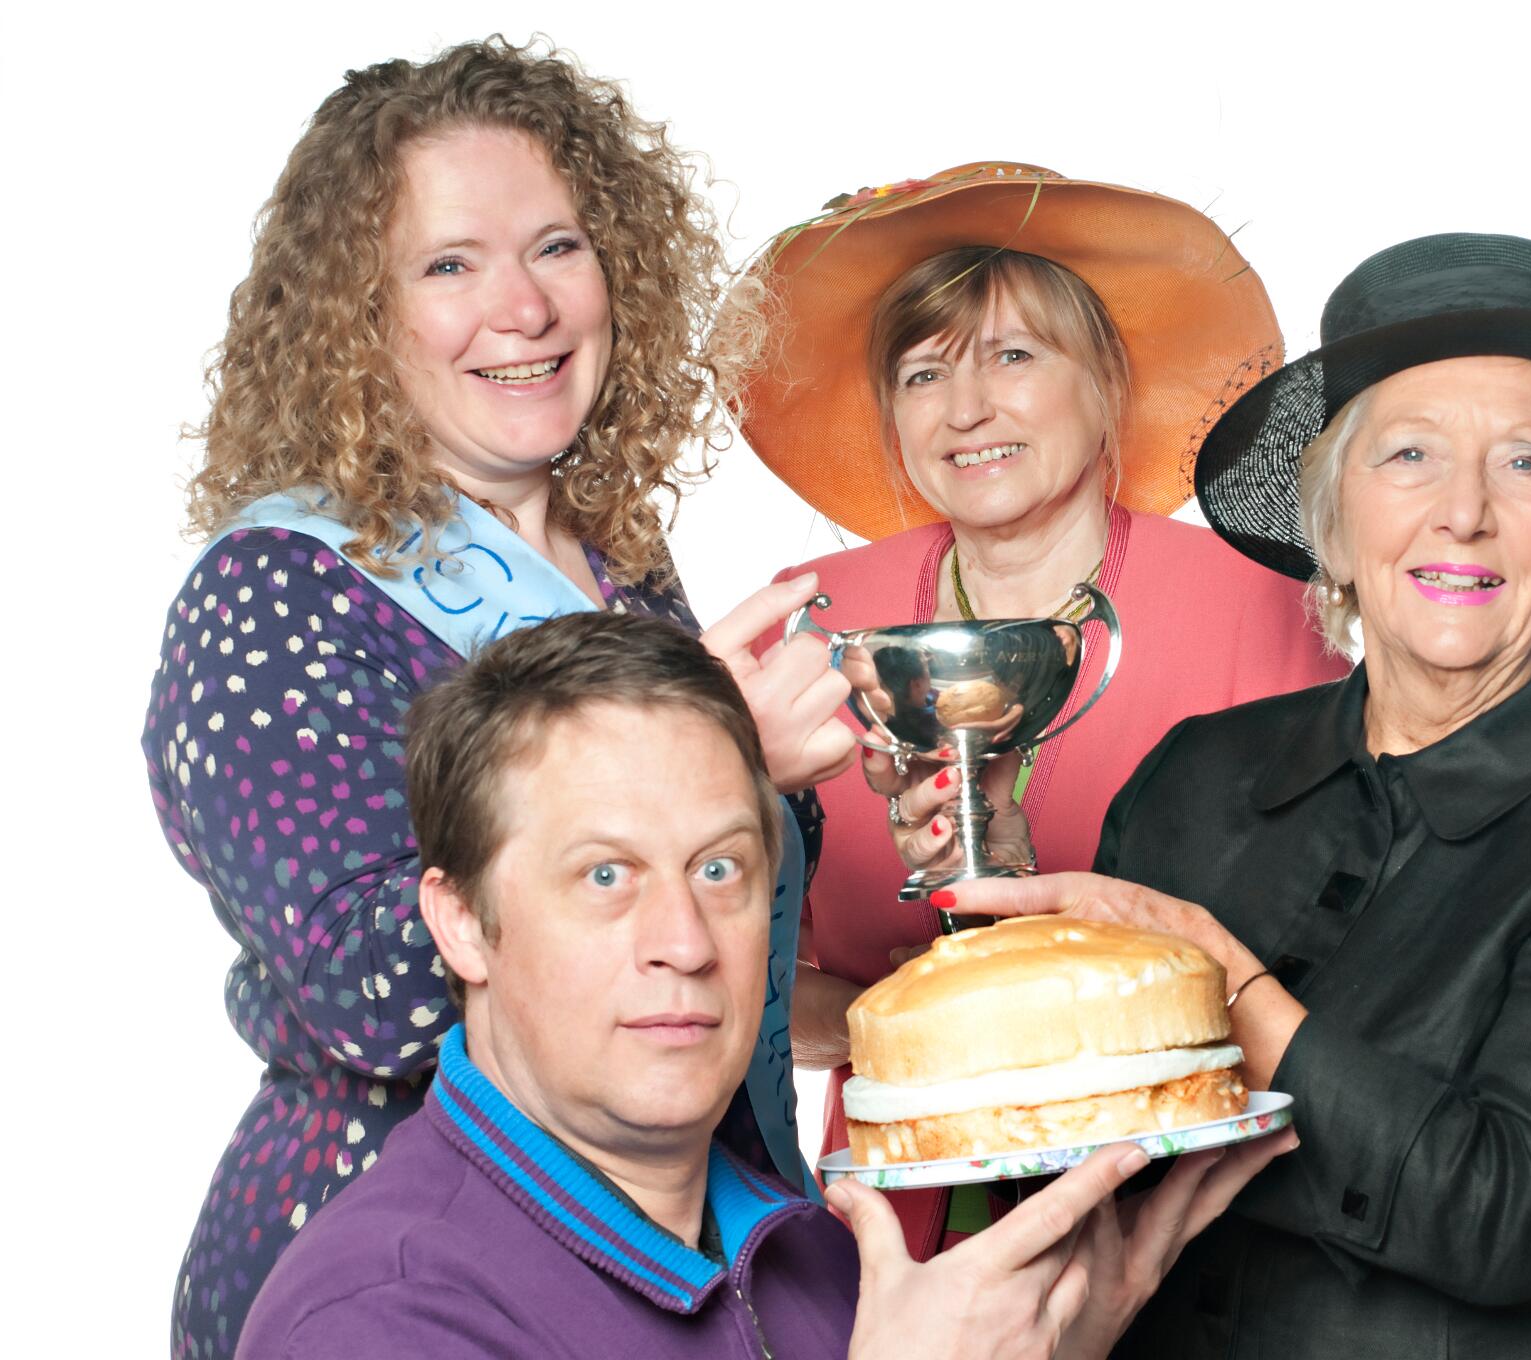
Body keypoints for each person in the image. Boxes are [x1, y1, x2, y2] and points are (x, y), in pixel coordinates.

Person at [145, 39, 854, 1357]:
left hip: (676, 1237)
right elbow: (365, 992)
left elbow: (689, 893)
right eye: (450, 265)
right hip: (411, 1261)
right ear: (355, 317)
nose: (521, 308)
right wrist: (722, 758)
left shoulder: (618, 564)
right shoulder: (277, 594)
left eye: (557, 248)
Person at [943, 232, 1531, 1357]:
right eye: (1409, 454)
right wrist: (994, 886)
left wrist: (1227, 983)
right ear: (1334, 519)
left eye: (1527, 463)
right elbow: (1079, 1137)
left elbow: (1511, 1216)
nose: (1463, 511)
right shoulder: (1196, 773)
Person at [237, 610, 1297, 1358]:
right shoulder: (377, 1319)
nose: (684, 943)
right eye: (605, 875)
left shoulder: (814, 1256)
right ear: (463, 923)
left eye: (719, 870)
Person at [736, 164, 1349, 1256]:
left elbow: (1343, 952)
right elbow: (737, 953)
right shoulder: (817, 617)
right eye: (924, 373)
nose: (965, 408)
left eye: (1013, 356)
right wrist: (902, 1021)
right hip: (895, 1222)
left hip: (1197, 1220)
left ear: (1105, 380)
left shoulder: (1258, 604)